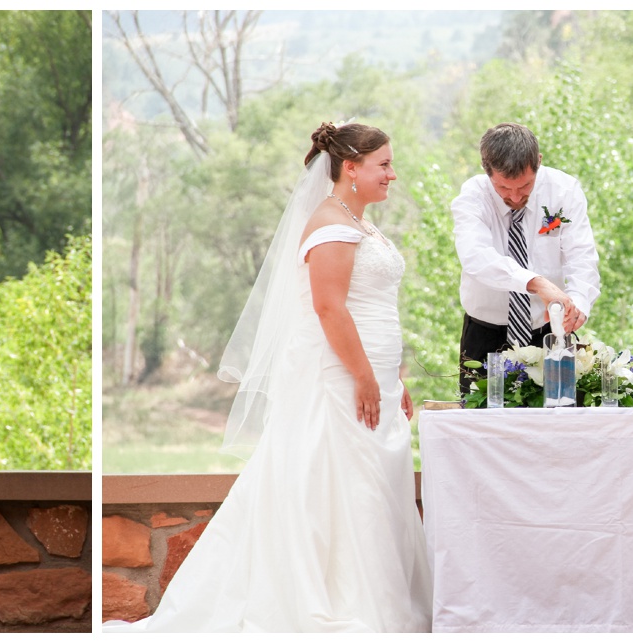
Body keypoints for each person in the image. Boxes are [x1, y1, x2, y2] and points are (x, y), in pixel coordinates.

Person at [104, 123, 432, 632]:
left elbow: (371, 309)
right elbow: (329, 309)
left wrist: (391, 376)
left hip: (373, 376)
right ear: (351, 167)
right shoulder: (332, 225)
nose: (393, 173)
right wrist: (366, 377)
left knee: (370, 493)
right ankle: (343, 606)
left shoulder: (358, 221)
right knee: (340, 488)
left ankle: (378, 603)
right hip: (340, 380)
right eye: (384, 164)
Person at [449, 123, 602, 396]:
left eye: (525, 185)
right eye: (504, 188)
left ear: (538, 162)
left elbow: (582, 257)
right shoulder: (473, 196)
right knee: (483, 428)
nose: (516, 197)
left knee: (558, 422)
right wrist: (536, 283)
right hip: (486, 335)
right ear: (487, 171)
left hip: (549, 331)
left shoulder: (564, 191)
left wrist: (578, 304)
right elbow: (476, 257)